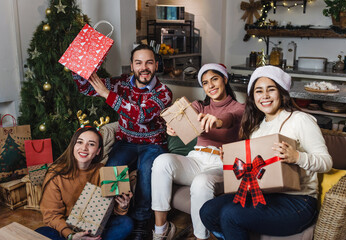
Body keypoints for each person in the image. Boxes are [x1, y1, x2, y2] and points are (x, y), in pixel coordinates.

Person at [199, 65, 333, 239]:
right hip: (265, 195)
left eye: (271, 89)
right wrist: (232, 161)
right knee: (208, 211)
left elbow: (326, 162)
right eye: (258, 91)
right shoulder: (257, 129)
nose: (265, 96)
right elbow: (255, 171)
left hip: (299, 202)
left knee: (231, 215)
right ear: (253, 97)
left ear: (282, 92)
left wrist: (297, 157)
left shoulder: (301, 120)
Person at [72, 44, 173, 239]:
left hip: (153, 145)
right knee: (112, 169)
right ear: (132, 65)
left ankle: (141, 222)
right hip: (125, 142)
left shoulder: (164, 92)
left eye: (149, 62)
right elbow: (85, 87)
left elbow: (142, 115)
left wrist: (107, 94)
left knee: (146, 173)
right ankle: (104, 218)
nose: (144, 67)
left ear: (156, 65)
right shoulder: (122, 83)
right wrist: (81, 64)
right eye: (139, 63)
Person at [151, 63, 245, 240]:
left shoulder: (239, 108)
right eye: (205, 82)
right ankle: (160, 230)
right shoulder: (200, 106)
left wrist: (216, 121)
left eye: (214, 79)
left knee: (201, 182)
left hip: (221, 164)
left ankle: (201, 236)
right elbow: (182, 115)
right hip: (196, 159)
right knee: (162, 161)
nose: (210, 86)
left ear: (225, 79)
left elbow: (229, 119)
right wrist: (173, 126)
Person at [36, 126, 134, 240]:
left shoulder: (103, 172)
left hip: (93, 227)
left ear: (98, 151)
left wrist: (122, 206)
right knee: (42, 232)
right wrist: (71, 235)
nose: (84, 148)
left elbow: (107, 209)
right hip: (66, 228)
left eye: (91, 144)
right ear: (73, 146)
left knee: (126, 223)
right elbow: (51, 216)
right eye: (80, 142)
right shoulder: (56, 173)